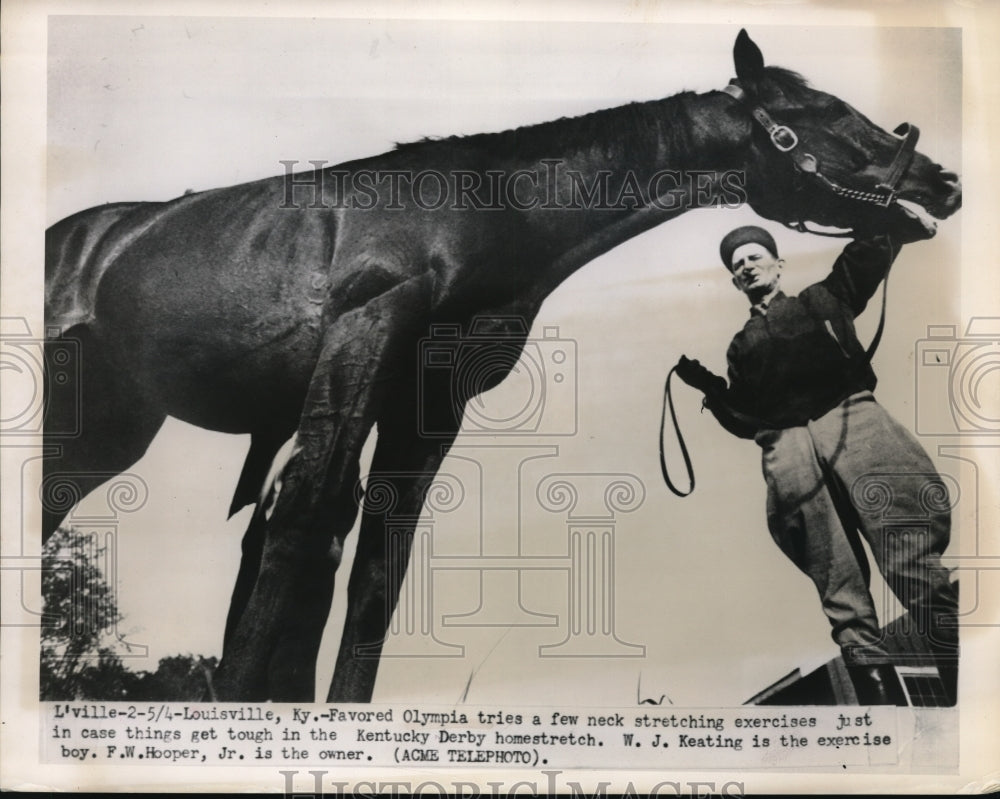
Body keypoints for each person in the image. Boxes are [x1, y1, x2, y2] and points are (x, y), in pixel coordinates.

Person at [675, 223, 959, 705]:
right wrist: (712, 391)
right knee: (840, 590)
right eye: (736, 264)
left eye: (753, 256)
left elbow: (868, 252)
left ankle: (966, 692)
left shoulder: (823, 298)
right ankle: (881, 720)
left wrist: (879, 213)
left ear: (778, 265)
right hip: (788, 448)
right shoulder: (741, 346)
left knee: (910, 553)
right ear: (734, 282)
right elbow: (747, 419)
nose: (745, 265)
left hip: (851, 421)